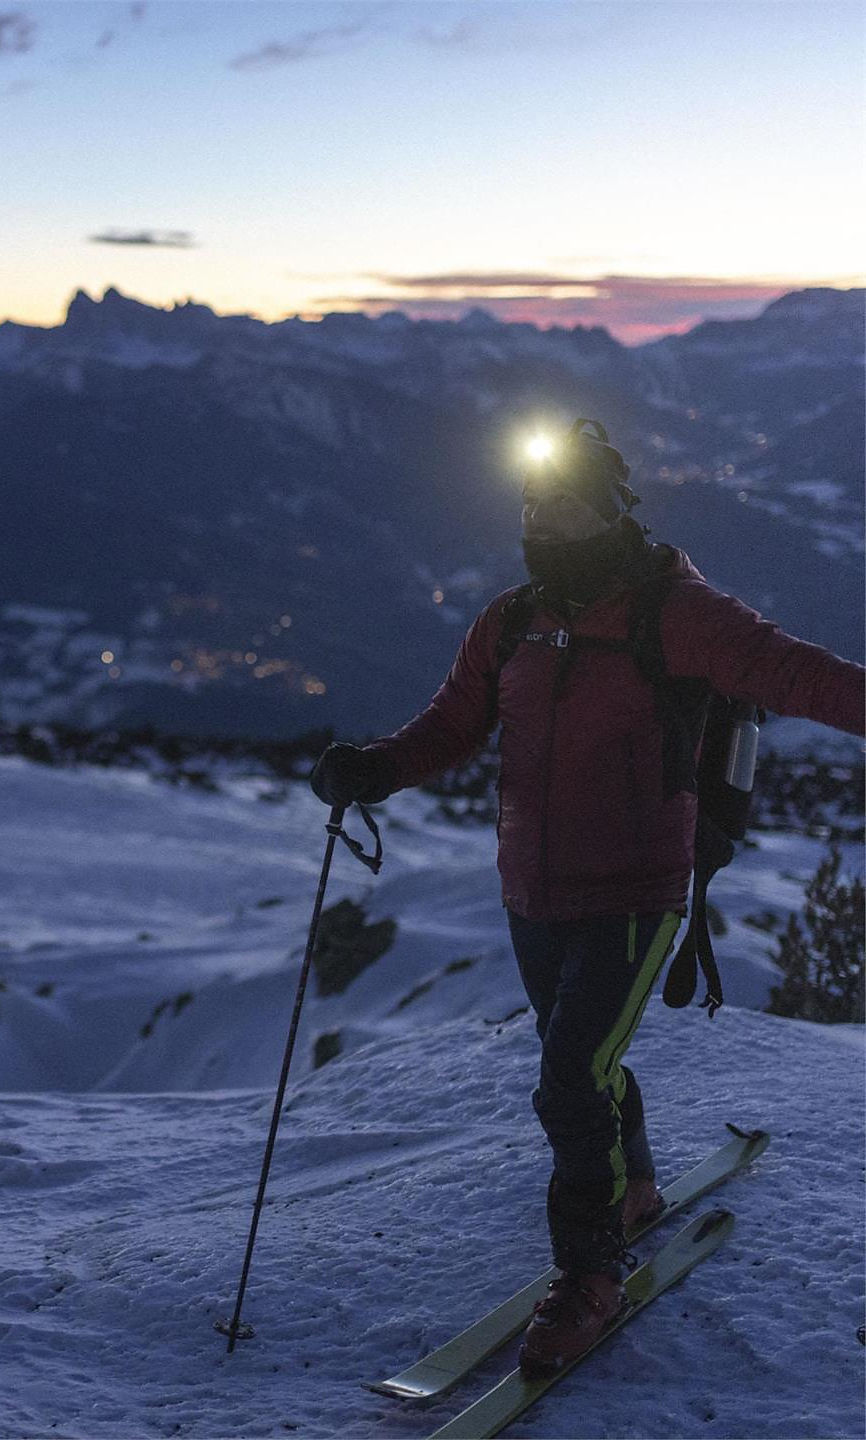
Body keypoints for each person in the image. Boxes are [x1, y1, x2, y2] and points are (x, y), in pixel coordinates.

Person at [308, 417, 866, 1375]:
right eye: (534, 505)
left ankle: (588, 1275)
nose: (546, 522)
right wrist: (376, 768)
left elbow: (794, 672)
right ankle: (633, 1188)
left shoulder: (674, 612)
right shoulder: (511, 621)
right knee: (587, 1065)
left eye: (566, 504)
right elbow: (453, 722)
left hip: (636, 890)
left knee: (569, 1078)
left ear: (610, 509)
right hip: (532, 890)